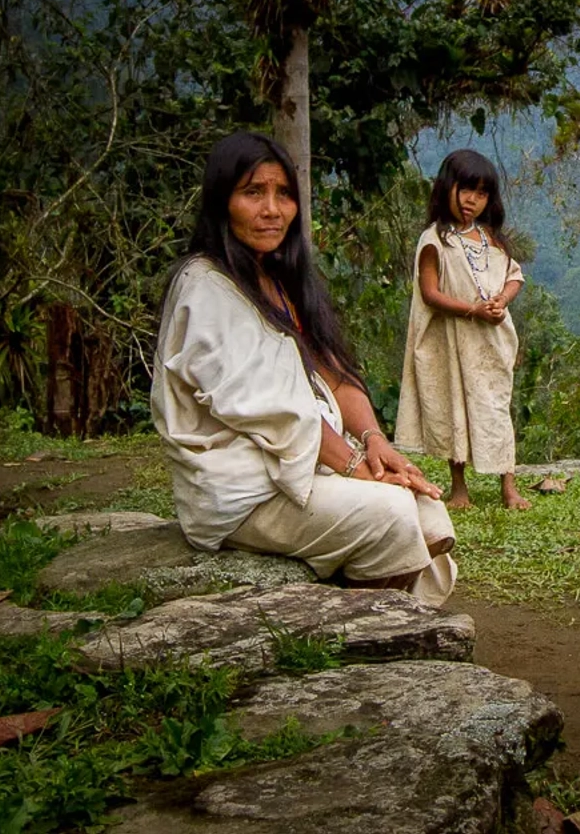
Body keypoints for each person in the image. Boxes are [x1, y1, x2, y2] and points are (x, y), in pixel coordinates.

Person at [151, 131, 455, 606]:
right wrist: (357, 468)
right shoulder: (206, 289)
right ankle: (367, 632)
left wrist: (376, 443)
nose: (272, 209)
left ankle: (402, 620)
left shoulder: (275, 276)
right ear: (221, 202)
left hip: (298, 466)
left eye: (284, 194)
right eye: (253, 192)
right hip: (243, 490)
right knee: (392, 512)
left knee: (426, 504)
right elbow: (276, 412)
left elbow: (332, 373)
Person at [396, 149, 531, 510]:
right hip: (454, 342)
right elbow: (430, 293)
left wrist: (501, 300)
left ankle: (509, 486)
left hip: (492, 341)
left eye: (482, 193)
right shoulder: (434, 240)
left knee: (496, 407)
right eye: (466, 189)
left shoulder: (491, 238)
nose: (473, 200)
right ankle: (459, 487)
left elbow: (514, 275)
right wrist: (474, 310)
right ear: (447, 188)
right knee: (455, 406)